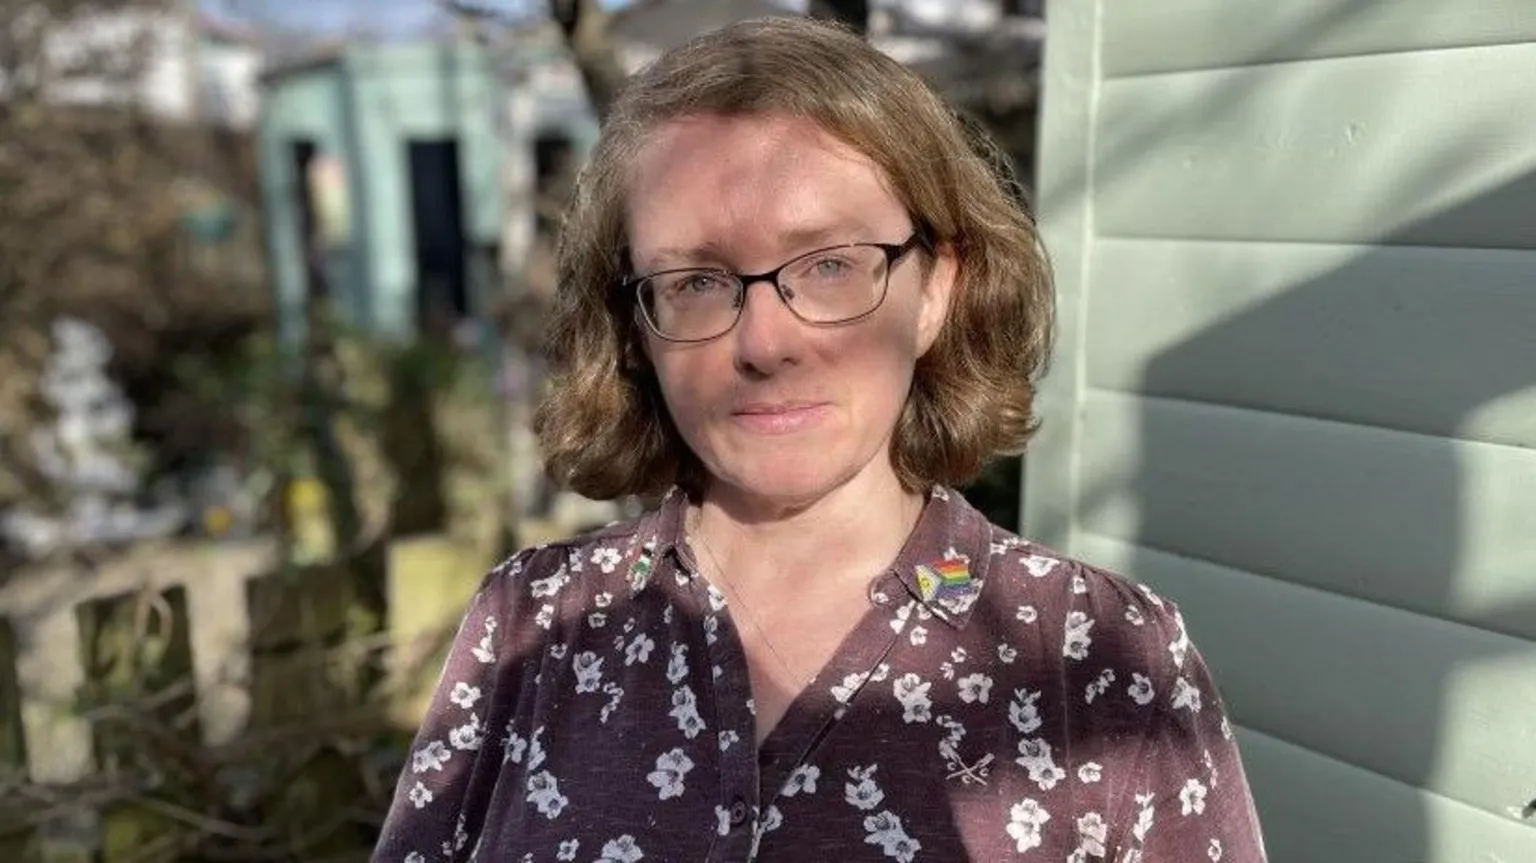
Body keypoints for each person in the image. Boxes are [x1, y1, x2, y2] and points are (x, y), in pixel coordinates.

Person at [374, 16, 1267, 863]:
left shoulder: (1100, 659)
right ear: (635, 325)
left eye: (831, 265)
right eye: (695, 280)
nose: (764, 343)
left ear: (936, 289)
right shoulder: (537, 629)